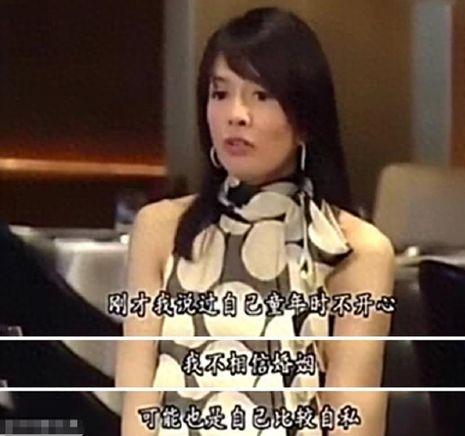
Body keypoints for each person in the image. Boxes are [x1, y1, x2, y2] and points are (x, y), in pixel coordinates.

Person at [116, 7, 395, 436]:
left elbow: (353, 418)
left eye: (261, 96)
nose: (236, 114)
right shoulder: (159, 229)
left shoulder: (355, 251)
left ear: (306, 120)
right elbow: (138, 404)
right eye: (220, 93)